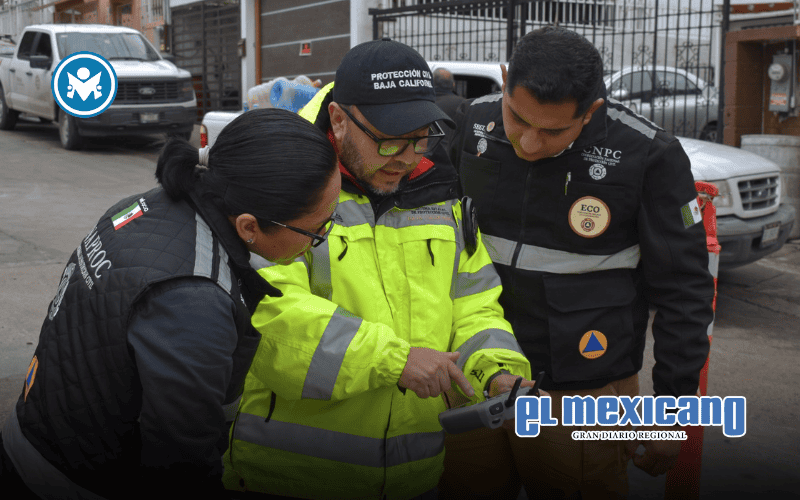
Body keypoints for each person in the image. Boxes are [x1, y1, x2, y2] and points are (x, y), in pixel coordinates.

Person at [221, 39, 534, 500]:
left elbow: (474, 304)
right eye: (390, 139)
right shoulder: (285, 184)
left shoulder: (440, 192)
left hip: (415, 477)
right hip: (291, 477)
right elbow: (269, 318)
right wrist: (395, 361)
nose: (407, 157)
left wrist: (498, 372)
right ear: (339, 120)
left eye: (421, 137)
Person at [0, 108, 340, 499]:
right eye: (317, 229)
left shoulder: (147, 206)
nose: (321, 239)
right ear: (249, 225)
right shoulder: (195, 301)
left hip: (32, 435)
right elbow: (181, 466)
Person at [443, 26, 715, 499]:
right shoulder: (473, 123)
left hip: (581, 394)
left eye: (553, 131)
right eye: (517, 118)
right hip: (475, 377)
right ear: (504, 80)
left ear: (591, 111)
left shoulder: (648, 155)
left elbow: (684, 294)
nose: (530, 143)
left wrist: (671, 415)